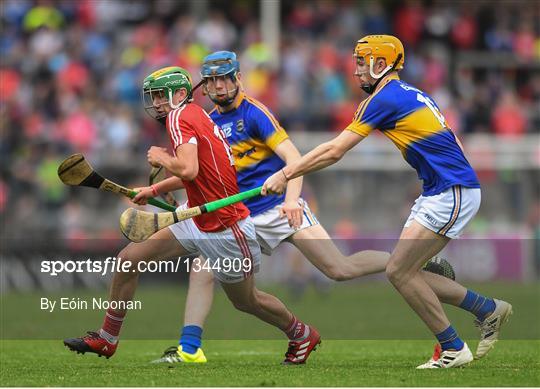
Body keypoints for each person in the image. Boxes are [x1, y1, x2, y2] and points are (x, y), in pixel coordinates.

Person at [151, 51, 457, 364]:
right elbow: (205, 174)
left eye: (224, 78)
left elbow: (293, 159)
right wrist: (157, 188)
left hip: (281, 209)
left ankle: (403, 263)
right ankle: (190, 348)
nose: (217, 86)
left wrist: (291, 200)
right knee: (207, 271)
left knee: (339, 269)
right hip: (243, 217)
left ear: (237, 79)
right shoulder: (208, 121)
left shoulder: (254, 113)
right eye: (211, 81)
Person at [262, 35, 512, 369]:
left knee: (398, 271)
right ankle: (487, 310)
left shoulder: (383, 98)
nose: (356, 71)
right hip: (443, 190)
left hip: (451, 191)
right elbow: (453, 142)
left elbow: (335, 150)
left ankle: (453, 347)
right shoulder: (410, 92)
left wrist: (287, 172)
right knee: (405, 269)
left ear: (381, 64)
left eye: (362, 63)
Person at [63, 66, 321, 365]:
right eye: (154, 96)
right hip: (195, 216)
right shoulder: (195, 114)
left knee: (247, 301)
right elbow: (199, 172)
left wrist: (161, 158)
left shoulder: (178, 117)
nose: (157, 102)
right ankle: (107, 339)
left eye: (162, 95)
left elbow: (188, 169)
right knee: (128, 259)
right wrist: (156, 188)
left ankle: (301, 333)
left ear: (181, 94)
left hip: (226, 226)